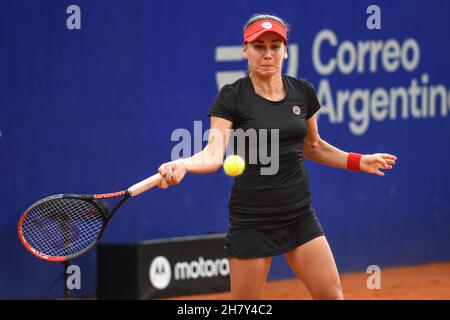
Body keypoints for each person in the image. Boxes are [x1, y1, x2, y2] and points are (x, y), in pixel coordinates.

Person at [157, 14, 397, 300]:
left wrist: (359, 160)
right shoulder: (232, 96)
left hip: (299, 215)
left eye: (275, 46)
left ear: (286, 50)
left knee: (332, 296)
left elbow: (313, 146)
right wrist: (183, 163)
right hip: (252, 221)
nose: (267, 54)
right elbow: (213, 154)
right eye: (259, 46)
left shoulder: (303, 92)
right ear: (245, 50)